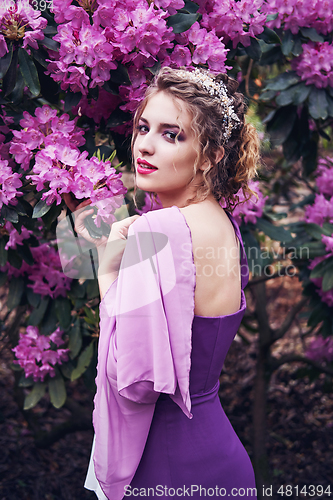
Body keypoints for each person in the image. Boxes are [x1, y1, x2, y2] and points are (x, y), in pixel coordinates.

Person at [68, 66, 260, 499]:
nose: (145, 146)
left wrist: (107, 268)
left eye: (172, 134)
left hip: (164, 469)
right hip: (219, 462)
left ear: (210, 155)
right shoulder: (223, 225)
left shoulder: (162, 231)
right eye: (143, 127)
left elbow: (135, 380)